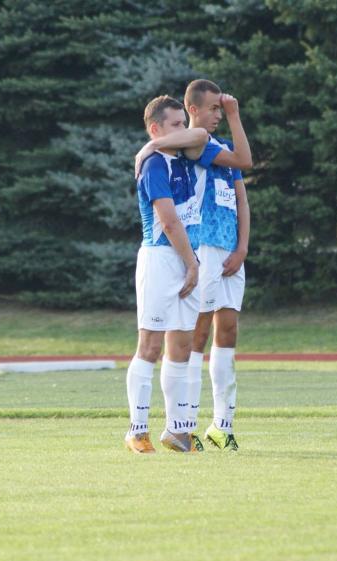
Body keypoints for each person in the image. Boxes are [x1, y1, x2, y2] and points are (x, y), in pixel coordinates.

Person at [134, 79, 252, 451]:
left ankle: (200, 427)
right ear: (194, 109)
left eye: (223, 108)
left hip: (215, 249)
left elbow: (242, 175)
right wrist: (151, 147)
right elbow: (193, 137)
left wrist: (243, 247)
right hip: (187, 250)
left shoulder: (208, 142)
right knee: (176, 339)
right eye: (214, 108)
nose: (219, 113)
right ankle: (165, 426)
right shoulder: (187, 146)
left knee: (204, 335)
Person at [124, 95, 207, 453]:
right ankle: (136, 431)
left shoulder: (182, 154)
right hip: (161, 258)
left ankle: (176, 430)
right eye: (175, 124)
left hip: (188, 259)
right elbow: (169, 221)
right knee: (151, 344)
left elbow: (201, 134)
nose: (183, 130)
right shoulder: (155, 164)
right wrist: (191, 263)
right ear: (156, 127)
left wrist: (156, 141)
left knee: (183, 345)